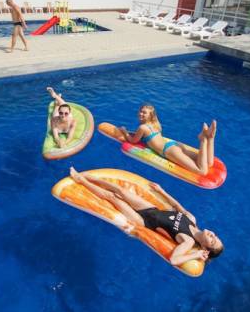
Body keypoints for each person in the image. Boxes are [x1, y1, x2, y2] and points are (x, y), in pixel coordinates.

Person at [69, 167, 224, 264]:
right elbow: (177, 206)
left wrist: (196, 254)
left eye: (212, 241)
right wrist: (162, 191)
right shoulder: (192, 219)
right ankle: (89, 176)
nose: (213, 235)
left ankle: (81, 180)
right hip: (151, 209)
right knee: (121, 191)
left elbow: (174, 259)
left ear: (204, 247)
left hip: (144, 221)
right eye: (215, 236)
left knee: (113, 198)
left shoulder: (188, 242)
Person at [120, 104, 216, 176]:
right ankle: (210, 138)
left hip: (169, 151)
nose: (140, 113)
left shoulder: (142, 127)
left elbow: (133, 141)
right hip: (174, 144)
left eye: (144, 112)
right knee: (209, 163)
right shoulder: (156, 124)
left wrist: (125, 131)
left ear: (150, 115)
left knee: (202, 171)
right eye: (140, 111)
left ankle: (203, 140)